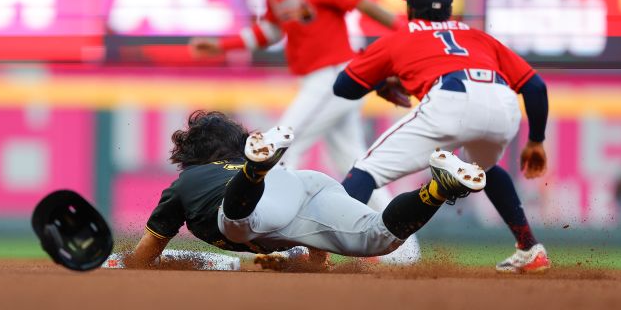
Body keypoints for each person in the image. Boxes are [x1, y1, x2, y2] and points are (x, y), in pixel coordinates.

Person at [189, 0, 420, 264]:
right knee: (359, 166)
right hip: (318, 79)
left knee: (280, 146)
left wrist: (408, 30)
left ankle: (287, 237)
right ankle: (406, 253)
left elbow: (364, 4)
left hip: (334, 74)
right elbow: (269, 31)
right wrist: (222, 45)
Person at [333, 0, 551, 273]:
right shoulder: (478, 36)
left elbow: (343, 87)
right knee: (484, 168)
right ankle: (529, 248)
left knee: (366, 171)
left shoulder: (404, 35)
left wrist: (383, 81)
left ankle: (322, 245)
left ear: (410, 7)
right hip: (503, 102)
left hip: (451, 99)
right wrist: (536, 140)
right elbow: (535, 87)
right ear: (449, 8)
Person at [125, 111, 485, 269]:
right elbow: (315, 247)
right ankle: (438, 189)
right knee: (379, 238)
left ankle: (255, 172)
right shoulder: (216, 176)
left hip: (255, 198)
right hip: (302, 181)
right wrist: (300, 264)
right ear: (237, 146)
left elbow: (148, 252)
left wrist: (129, 265)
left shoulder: (186, 182)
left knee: (237, 221)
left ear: (190, 156)